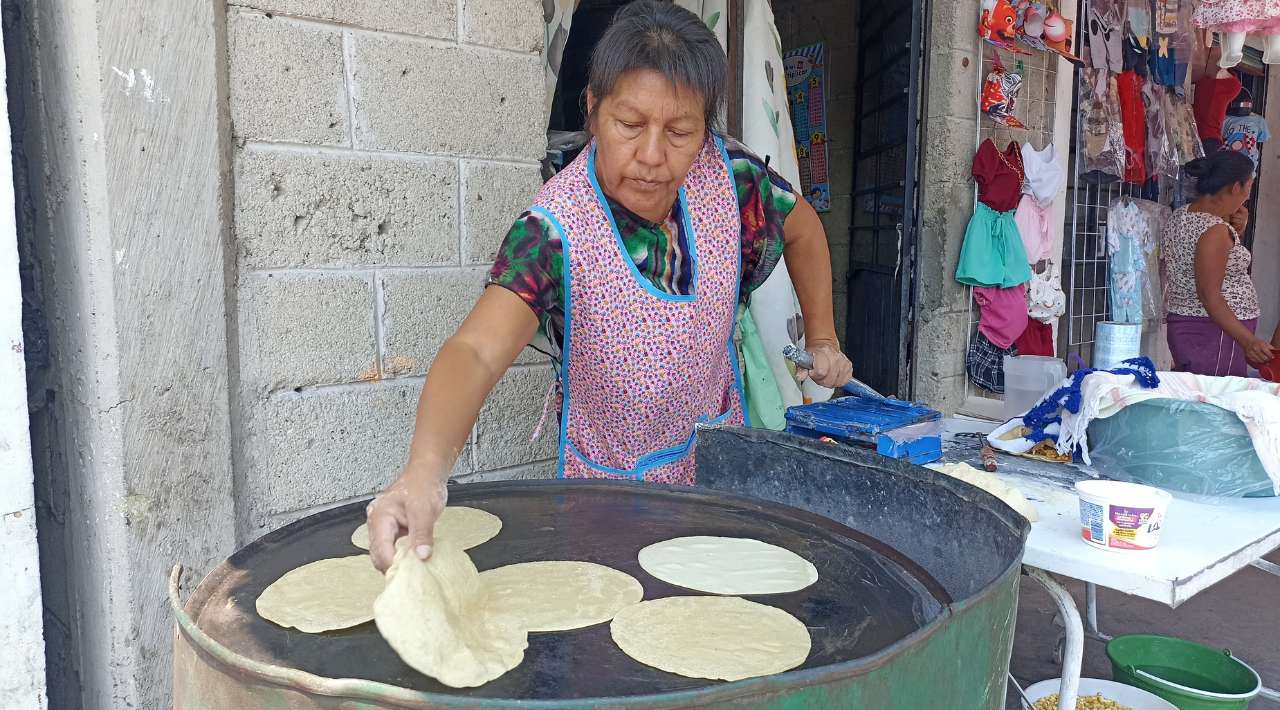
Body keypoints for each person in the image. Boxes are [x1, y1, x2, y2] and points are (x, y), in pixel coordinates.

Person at [365, 0, 852, 571]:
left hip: (717, 464)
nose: (651, 156)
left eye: (679, 131)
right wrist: (424, 474)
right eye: (629, 125)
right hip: (607, 490)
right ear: (594, 110)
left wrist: (823, 338)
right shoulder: (555, 229)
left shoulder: (731, 176)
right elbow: (475, 349)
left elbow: (804, 229)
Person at [1162, 149, 1272, 376]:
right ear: (1235, 188)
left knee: (1198, 398)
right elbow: (1209, 295)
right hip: (1216, 334)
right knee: (1215, 402)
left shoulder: (1181, 215)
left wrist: (1235, 229)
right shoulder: (1214, 231)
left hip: (1195, 328)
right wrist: (1248, 340)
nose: (1247, 197)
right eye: (1248, 188)